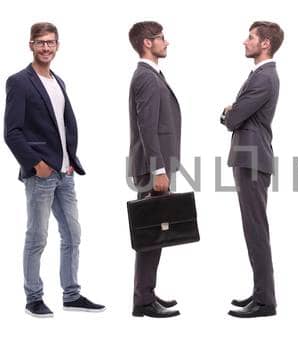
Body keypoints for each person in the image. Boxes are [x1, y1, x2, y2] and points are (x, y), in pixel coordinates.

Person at [1, 22, 105, 318]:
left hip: (65, 173)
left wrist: (69, 160)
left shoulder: (59, 81)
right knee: (37, 237)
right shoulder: (20, 81)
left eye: (50, 42)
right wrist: (36, 164)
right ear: (30, 45)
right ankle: (33, 297)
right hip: (41, 174)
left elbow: (64, 125)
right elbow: (12, 132)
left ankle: (71, 294)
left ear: (57, 45)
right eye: (40, 42)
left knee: (73, 234)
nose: (46, 47)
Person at [221, 21, 283, 319]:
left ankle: (266, 302)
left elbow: (234, 120)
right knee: (253, 229)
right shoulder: (259, 75)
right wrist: (233, 112)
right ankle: (261, 294)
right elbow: (237, 115)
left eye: (251, 37)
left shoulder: (264, 77)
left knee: (256, 230)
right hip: (249, 157)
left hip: (252, 158)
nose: (245, 42)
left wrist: (227, 112)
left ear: (265, 43)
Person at [126, 20, 183, 318]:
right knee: (150, 232)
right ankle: (143, 301)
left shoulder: (152, 75)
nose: (166, 42)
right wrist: (158, 169)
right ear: (147, 42)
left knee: (155, 231)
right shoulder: (146, 77)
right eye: (161, 38)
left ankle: (145, 295)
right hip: (152, 168)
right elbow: (147, 128)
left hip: (156, 166)